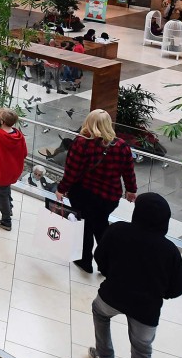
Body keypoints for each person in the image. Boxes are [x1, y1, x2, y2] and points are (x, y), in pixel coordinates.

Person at [87, 193, 182, 358]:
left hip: (113, 294)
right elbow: (176, 289)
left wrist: (111, 273)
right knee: (142, 350)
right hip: (146, 310)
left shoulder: (118, 230)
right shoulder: (170, 251)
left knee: (99, 311)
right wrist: (158, 292)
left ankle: (105, 356)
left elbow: (100, 257)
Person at [56, 109, 137, 274]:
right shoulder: (121, 146)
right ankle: (108, 264)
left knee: (84, 226)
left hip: (83, 194)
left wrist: (61, 189)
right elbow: (128, 171)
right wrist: (131, 190)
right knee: (101, 226)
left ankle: (85, 261)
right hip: (109, 196)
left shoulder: (81, 143)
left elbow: (71, 171)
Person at [0, 108, 27, 231]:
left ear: (2, 121)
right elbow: (24, 153)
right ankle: (10, 207)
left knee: (2, 193)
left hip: (2, 170)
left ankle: (6, 220)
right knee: (6, 188)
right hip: (14, 169)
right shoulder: (18, 135)